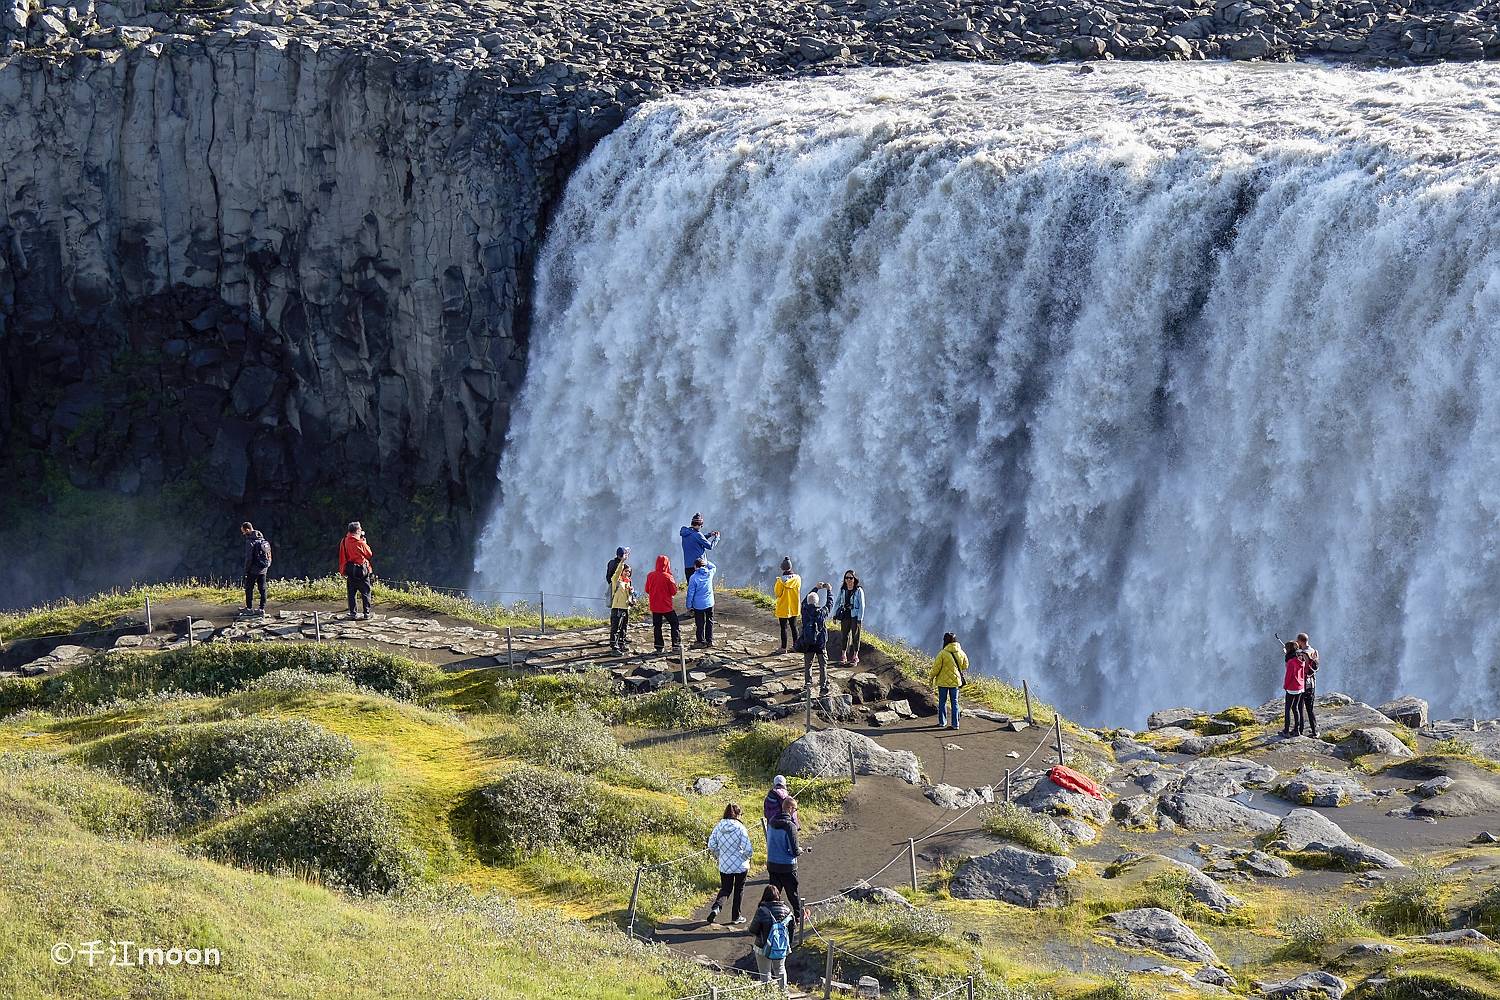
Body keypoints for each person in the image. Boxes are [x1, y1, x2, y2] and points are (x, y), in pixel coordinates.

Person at [706, 803, 752, 925]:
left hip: (725, 864)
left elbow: (711, 845)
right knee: (739, 890)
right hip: (740, 864)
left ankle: (716, 908)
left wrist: (719, 854)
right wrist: (746, 856)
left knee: (725, 889)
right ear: (737, 814)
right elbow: (748, 849)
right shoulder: (740, 827)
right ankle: (736, 916)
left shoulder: (719, 826)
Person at [764, 797, 804, 932]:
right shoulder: (790, 826)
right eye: (795, 809)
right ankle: (799, 918)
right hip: (787, 865)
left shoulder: (771, 822)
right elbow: (794, 850)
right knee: (793, 893)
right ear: (790, 809)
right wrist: (800, 851)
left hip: (772, 863)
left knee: (774, 893)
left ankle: (768, 919)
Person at [748, 885, 794, 989]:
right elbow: (792, 929)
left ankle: (768, 994)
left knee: (765, 973)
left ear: (764, 896)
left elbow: (753, 930)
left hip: (762, 947)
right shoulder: (787, 910)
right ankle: (784, 993)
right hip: (781, 946)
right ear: (778, 896)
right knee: (780, 969)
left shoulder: (762, 910)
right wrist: (787, 944)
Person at [798, 583, 833, 699]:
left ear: (808, 602)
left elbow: (804, 601)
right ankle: (823, 687)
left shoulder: (804, 610)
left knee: (808, 665)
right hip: (820, 644)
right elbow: (830, 604)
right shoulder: (822, 612)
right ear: (817, 602)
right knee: (823, 665)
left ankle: (807, 685)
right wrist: (829, 590)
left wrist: (816, 588)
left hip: (808, 643)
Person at [930, 632, 968, 730]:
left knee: (942, 702)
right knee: (954, 703)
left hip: (942, 682)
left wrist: (931, 677)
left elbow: (936, 668)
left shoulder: (942, 653)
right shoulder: (961, 652)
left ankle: (942, 722)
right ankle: (955, 724)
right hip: (955, 682)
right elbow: (965, 665)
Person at [645, 554, 682, 653]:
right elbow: (674, 591)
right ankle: (676, 645)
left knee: (657, 626)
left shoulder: (650, 575)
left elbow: (647, 589)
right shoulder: (668, 577)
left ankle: (659, 647)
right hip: (666, 606)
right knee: (674, 624)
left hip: (655, 606)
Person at [338, 521, 374, 620]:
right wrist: (364, 543)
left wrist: (343, 570)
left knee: (351, 592)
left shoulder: (344, 541)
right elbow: (369, 554)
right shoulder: (360, 543)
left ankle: (353, 613)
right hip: (361, 570)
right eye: (360, 529)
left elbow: (342, 555)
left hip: (350, 569)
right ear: (357, 530)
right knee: (366, 592)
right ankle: (366, 613)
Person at [832, 570, 865, 667]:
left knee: (855, 636)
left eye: (850, 578)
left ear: (855, 579)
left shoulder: (859, 590)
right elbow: (837, 602)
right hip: (845, 615)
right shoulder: (843, 589)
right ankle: (843, 655)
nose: (848, 580)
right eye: (846, 578)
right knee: (844, 635)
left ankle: (855, 656)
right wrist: (834, 615)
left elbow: (862, 605)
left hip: (855, 616)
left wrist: (859, 619)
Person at [239, 522, 272, 615]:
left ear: (247, 530)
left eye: (244, 532)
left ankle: (249, 609)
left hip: (253, 570)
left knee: (249, 588)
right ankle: (261, 609)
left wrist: (246, 570)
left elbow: (249, 558)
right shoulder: (262, 539)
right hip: (263, 569)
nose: (243, 534)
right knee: (262, 589)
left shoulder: (250, 542)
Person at [686, 557, 717, 647]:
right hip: (710, 603)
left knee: (700, 623)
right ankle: (709, 640)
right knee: (710, 621)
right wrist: (706, 562)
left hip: (698, 605)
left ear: (695, 566)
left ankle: (701, 641)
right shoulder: (710, 573)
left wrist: (689, 605)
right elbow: (714, 567)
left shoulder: (693, 578)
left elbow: (690, 593)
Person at [773, 558, 801, 654]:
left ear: (782, 568)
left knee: (783, 628)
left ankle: (783, 648)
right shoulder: (797, 579)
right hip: (794, 606)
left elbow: (777, 594)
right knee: (794, 626)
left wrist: (778, 583)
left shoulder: (780, 581)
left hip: (783, 608)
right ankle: (796, 646)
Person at [1297, 632, 1320, 738]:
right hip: (1312, 683)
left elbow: (1297, 666)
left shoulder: (1302, 654)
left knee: (1300, 707)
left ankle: (1299, 730)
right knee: (1310, 708)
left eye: (1298, 641)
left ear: (1301, 641)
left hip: (1303, 683)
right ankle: (1315, 731)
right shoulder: (1314, 651)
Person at [1282, 640, 1307, 737]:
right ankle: (1297, 730)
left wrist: (1285, 686)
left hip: (1292, 687)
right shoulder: (1301, 659)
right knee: (1295, 708)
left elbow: (1288, 676)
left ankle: (1286, 731)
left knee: (1287, 709)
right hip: (1300, 687)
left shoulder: (1291, 662)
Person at [609, 564, 636, 654]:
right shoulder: (616, 580)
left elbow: (629, 596)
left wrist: (632, 595)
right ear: (622, 571)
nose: (627, 573)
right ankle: (614, 648)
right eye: (626, 571)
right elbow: (616, 573)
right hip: (617, 607)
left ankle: (621, 644)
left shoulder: (628, 582)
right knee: (615, 628)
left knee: (623, 627)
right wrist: (622, 561)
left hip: (625, 607)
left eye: (629, 571)